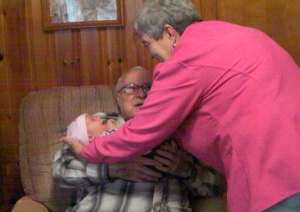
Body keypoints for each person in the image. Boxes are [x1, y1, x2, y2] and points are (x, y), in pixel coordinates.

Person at [62, 0, 300, 212]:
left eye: (148, 44)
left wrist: (90, 152)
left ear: (169, 33)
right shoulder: (241, 35)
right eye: (130, 88)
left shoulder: (186, 59)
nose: (151, 55)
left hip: (278, 176)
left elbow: (141, 133)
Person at [55, 66, 225, 212]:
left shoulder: (181, 129)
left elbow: (216, 184)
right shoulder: (96, 124)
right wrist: (112, 170)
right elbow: (61, 170)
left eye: (148, 87)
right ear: (118, 98)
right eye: (130, 88)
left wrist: (185, 169)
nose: (141, 94)